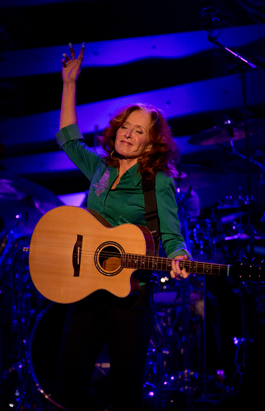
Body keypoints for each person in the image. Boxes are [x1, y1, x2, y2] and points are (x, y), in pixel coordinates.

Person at [54, 42, 192, 410]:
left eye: (138, 131)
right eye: (125, 127)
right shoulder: (101, 168)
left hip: (131, 297)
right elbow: (68, 138)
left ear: (151, 144)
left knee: (126, 394)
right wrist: (70, 83)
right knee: (69, 382)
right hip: (86, 289)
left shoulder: (158, 181)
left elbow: (172, 233)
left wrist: (179, 255)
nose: (127, 134)